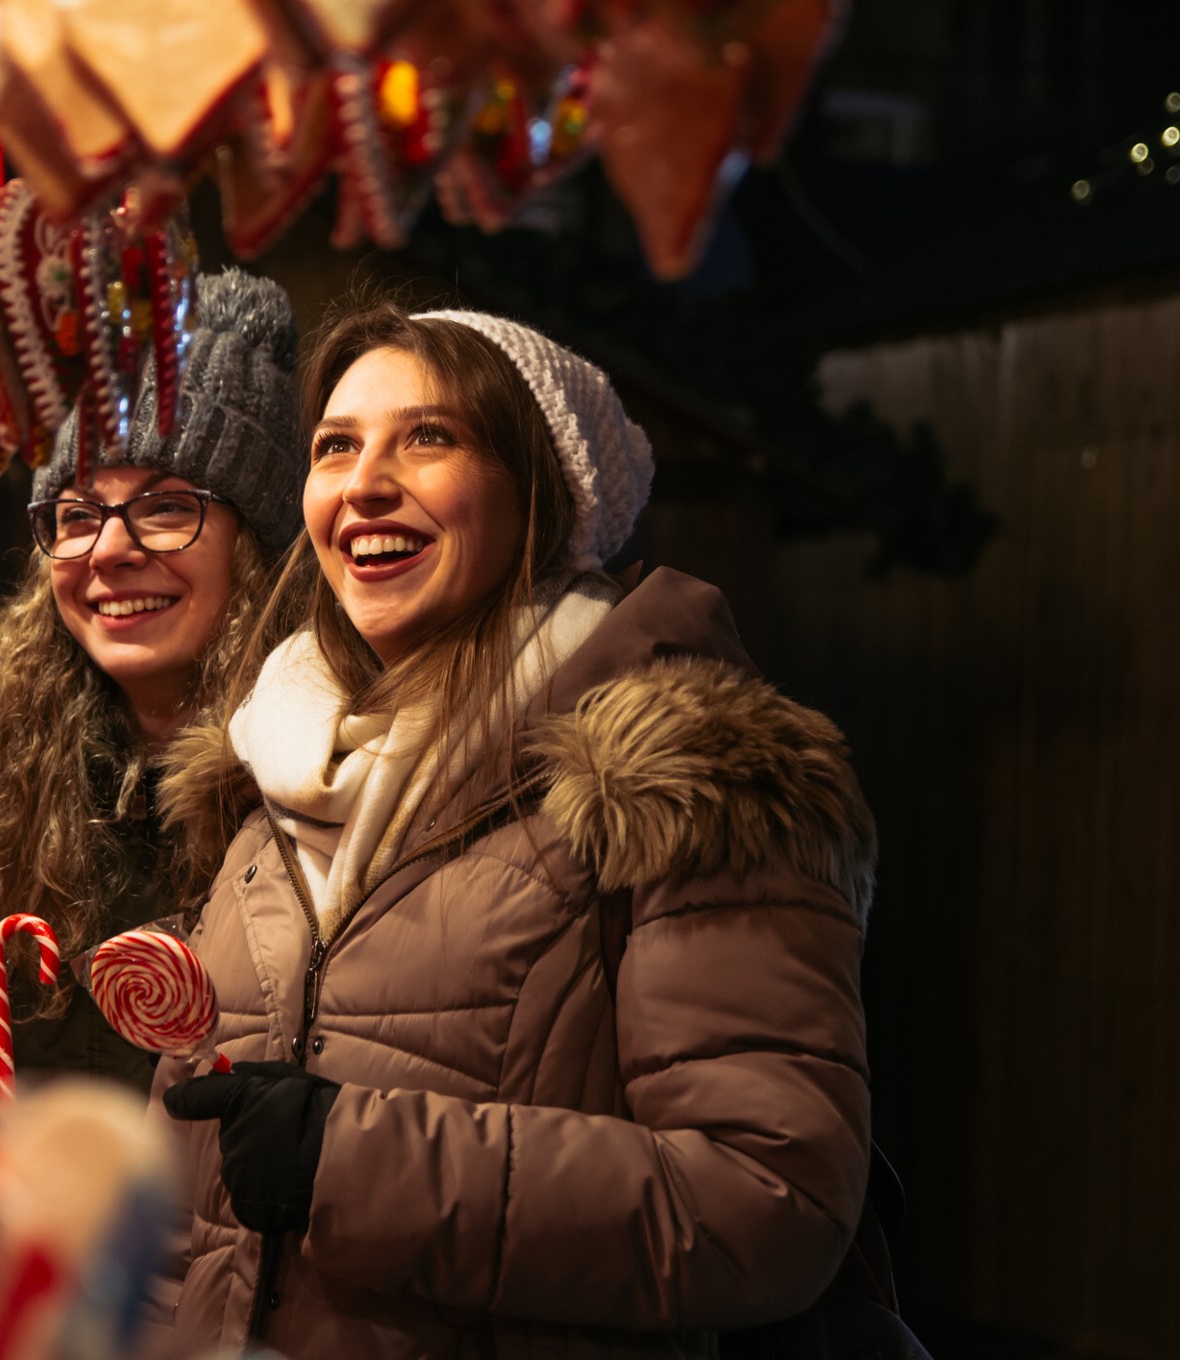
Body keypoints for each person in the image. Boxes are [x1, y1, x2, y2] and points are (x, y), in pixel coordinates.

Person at [154, 301, 879, 1357]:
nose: (363, 484)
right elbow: (189, 1206)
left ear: (543, 490)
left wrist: (348, 1162)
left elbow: (771, 1198)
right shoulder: (266, 772)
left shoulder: (676, 774)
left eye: (430, 437)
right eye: (336, 447)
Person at [0, 269, 304, 1101]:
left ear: (261, 544)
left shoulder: (340, 781)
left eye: (168, 507)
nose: (107, 551)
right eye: (74, 515)